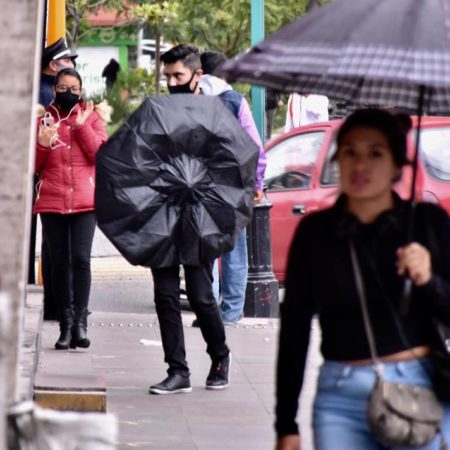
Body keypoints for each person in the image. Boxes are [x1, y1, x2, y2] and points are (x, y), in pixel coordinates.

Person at [275, 108, 450, 450]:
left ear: (398, 164)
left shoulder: (427, 224)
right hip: (341, 396)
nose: (361, 164)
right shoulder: (317, 233)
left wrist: (428, 280)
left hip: (419, 388)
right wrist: (286, 423)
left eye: (376, 153)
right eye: (350, 152)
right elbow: (295, 329)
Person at [147, 44, 232, 395]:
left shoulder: (217, 113)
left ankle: (219, 355)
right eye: (167, 76)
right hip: (163, 211)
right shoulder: (157, 112)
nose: (172, 82)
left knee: (200, 295)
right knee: (165, 295)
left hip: (200, 215)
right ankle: (177, 370)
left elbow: (234, 161)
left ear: (197, 76)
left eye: (178, 75)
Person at [34, 67, 107, 350]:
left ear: (81, 91)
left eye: (74, 89)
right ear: (54, 89)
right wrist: (41, 144)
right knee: (59, 263)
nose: (69, 93)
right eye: (63, 88)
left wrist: (81, 126)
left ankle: (80, 324)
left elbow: (99, 156)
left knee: (81, 260)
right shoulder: (42, 119)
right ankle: (65, 326)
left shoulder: (93, 117)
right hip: (52, 200)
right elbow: (32, 165)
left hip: (85, 201)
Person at [198, 50, 266, 325]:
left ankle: (208, 309)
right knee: (234, 251)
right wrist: (257, 183)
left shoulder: (191, 100)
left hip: (200, 185)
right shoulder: (236, 101)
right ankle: (231, 313)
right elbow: (255, 148)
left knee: (205, 251)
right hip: (234, 186)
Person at [34, 38, 78, 321]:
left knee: (55, 246)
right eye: (67, 61)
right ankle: (60, 306)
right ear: (54, 65)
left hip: (56, 183)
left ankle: (60, 306)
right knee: (57, 248)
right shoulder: (45, 97)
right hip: (50, 182)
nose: (72, 66)